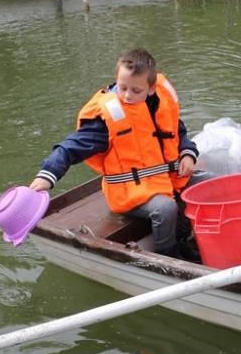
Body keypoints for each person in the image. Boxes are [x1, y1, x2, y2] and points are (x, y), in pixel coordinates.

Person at [29, 48, 202, 258]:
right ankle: (170, 256)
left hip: (166, 178)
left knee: (208, 182)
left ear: (150, 88)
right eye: (122, 88)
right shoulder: (107, 119)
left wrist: (187, 153)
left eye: (136, 90)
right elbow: (71, 147)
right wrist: (48, 174)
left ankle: (188, 239)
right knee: (165, 208)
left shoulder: (158, 102)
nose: (128, 95)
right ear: (116, 81)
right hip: (128, 192)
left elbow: (177, 131)